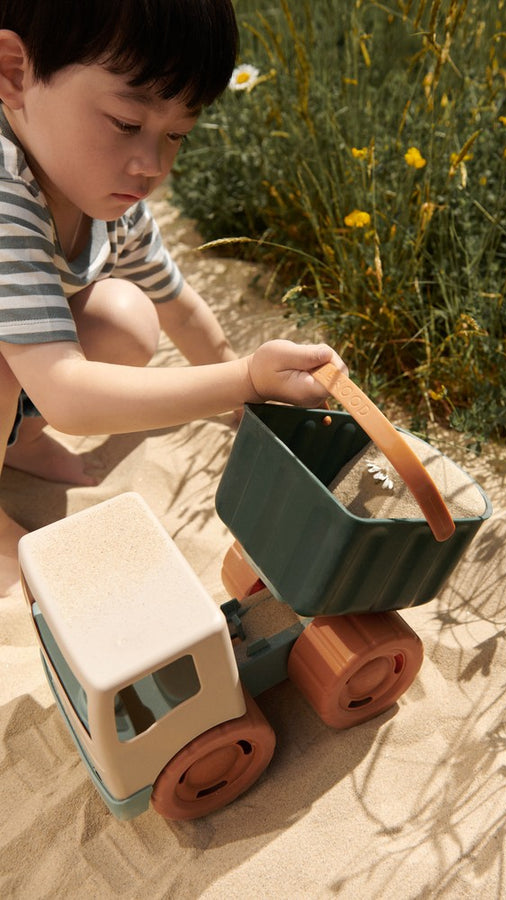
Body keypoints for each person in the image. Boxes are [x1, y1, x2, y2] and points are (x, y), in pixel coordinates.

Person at [0, 0, 346, 595]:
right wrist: (244, 379)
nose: (151, 164)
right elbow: (66, 393)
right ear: (14, 73)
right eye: (127, 124)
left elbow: (177, 306)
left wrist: (248, 406)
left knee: (126, 318)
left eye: (177, 134)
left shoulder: (99, 188)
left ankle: (16, 446)